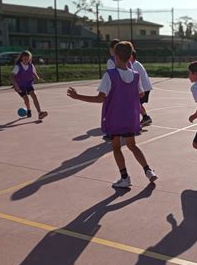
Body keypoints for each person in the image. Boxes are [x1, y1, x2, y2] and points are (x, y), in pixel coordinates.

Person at [67, 41, 157, 187]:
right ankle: (148, 171)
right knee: (133, 145)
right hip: (131, 117)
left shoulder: (110, 75)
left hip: (115, 117)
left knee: (116, 147)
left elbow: (100, 99)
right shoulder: (135, 75)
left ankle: (125, 178)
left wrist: (78, 97)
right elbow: (140, 94)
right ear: (130, 57)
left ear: (115, 56)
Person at [11, 50, 48, 120]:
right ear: (21, 58)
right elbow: (12, 76)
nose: (26, 60)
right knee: (26, 99)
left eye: (28, 59)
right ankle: (28, 110)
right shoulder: (18, 66)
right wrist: (15, 85)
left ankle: (40, 113)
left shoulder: (31, 65)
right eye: (25, 59)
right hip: (20, 86)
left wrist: (38, 78)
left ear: (30, 59)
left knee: (34, 95)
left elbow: (34, 73)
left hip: (28, 84)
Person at [131, 50, 153, 126]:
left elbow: (135, 79)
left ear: (132, 57)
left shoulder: (135, 65)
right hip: (144, 88)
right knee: (137, 104)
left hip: (144, 88)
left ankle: (142, 119)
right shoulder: (134, 64)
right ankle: (145, 117)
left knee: (136, 104)